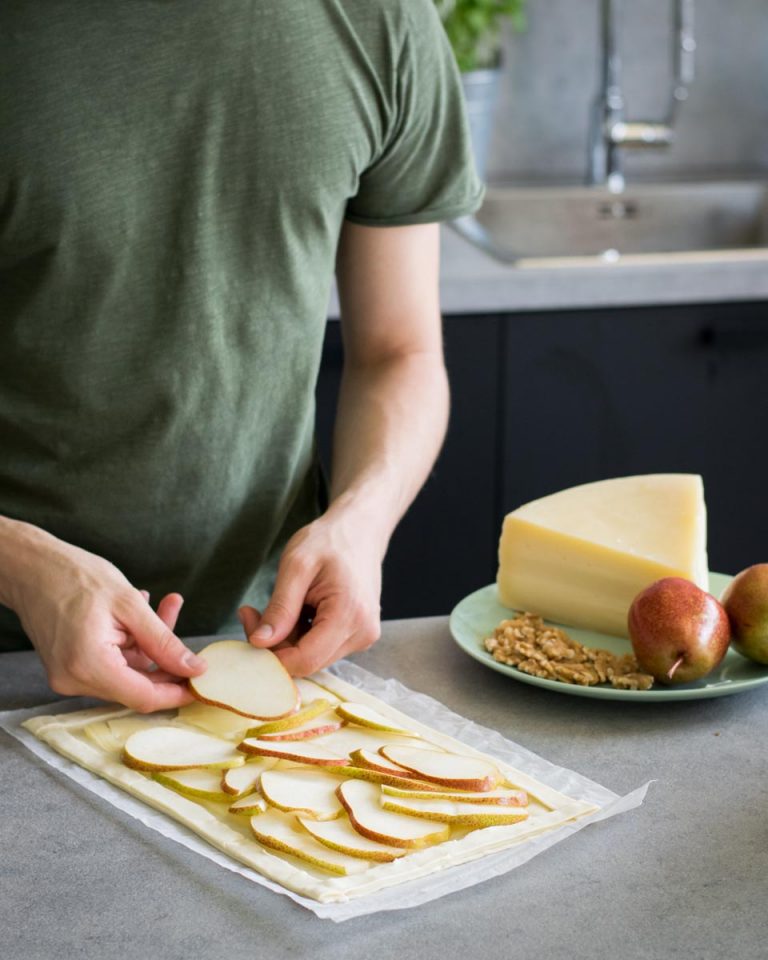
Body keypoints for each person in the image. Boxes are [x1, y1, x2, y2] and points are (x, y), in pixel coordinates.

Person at [0, 0, 484, 711]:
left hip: (268, 655)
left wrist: (362, 521)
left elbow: (399, 351)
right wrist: (19, 566)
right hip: (11, 660)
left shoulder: (380, 20)